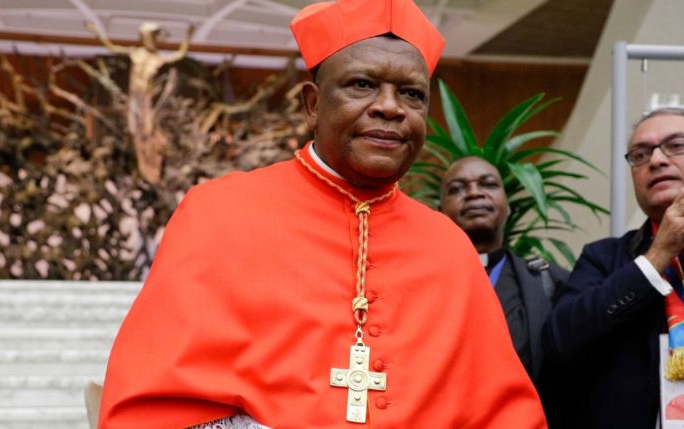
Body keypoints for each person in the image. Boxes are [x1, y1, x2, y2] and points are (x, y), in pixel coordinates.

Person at [98, 1, 547, 428]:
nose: (390, 107)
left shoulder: (449, 246)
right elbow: (149, 407)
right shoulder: (218, 212)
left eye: (411, 94)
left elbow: (505, 415)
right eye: (362, 85)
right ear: (312, 104)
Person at [542, 107, 684, 429]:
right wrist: (658, 255)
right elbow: (559, 342)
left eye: (677, 145)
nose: (656, 160)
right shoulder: (605, 258)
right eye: (640, 154)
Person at [439, 156, 568, 382]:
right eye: (457, 189)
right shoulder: (419, 283)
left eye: (488, 184)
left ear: (508, 206)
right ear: (440, 213)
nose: (474, 193)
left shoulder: (551, 282)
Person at [87, 21, 195, 184]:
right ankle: (146, 161)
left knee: (143, 126)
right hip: (135, 95)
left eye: (151, 37)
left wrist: (188, 36)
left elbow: (179, 55)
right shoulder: (137, 53)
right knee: (136, 126)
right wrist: (96, 31)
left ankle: (149, 164)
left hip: (144, 97)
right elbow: (111, 47)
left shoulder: (156, 58)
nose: (149, 40)